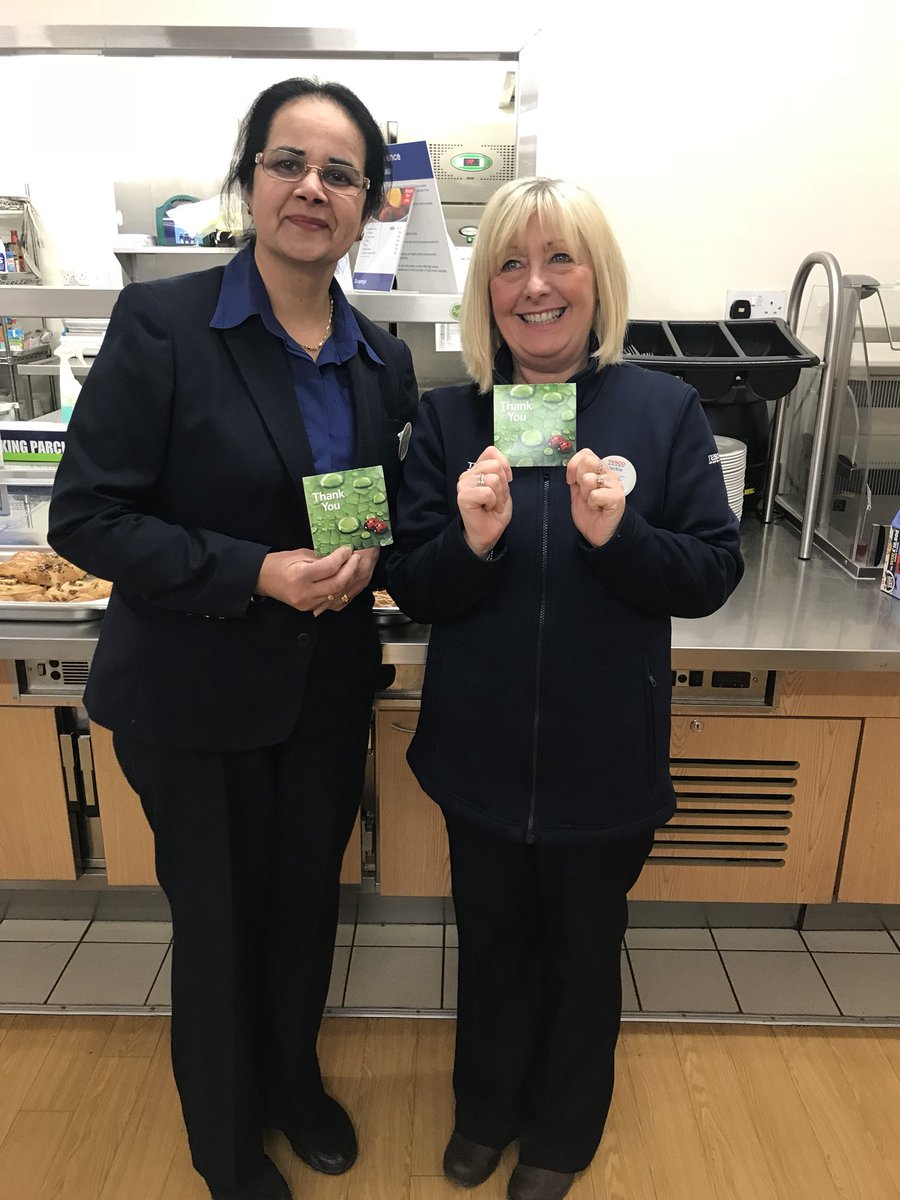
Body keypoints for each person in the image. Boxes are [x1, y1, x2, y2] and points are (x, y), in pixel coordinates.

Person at [48, 78, 418, 1200]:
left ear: (367, 204)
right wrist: (252, 571)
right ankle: (224, 1143)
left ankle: (292, 1085)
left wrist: (375, 557)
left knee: (307, 907)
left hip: (322, 692)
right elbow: (88, 515)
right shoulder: (166, 325)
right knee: (217, 927)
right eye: (287, 163)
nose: (312, 188)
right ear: (249, 179)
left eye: (340, 173)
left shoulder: (377, 358)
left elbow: (367, 511)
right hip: (194, 695)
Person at [386, 177, 743, 1200]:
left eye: (559, 260)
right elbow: (415, 582)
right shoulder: (452, 418)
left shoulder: (664, 409)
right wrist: (472, 541)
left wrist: (619, 540)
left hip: (605, 760)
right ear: (486, 293)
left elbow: (712, 573)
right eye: (509, 264)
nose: (535, 286)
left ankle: (562, 1132)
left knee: (586, 954)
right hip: (479, 756)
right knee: (492, 942)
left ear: (599, 280)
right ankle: (484, 1109)